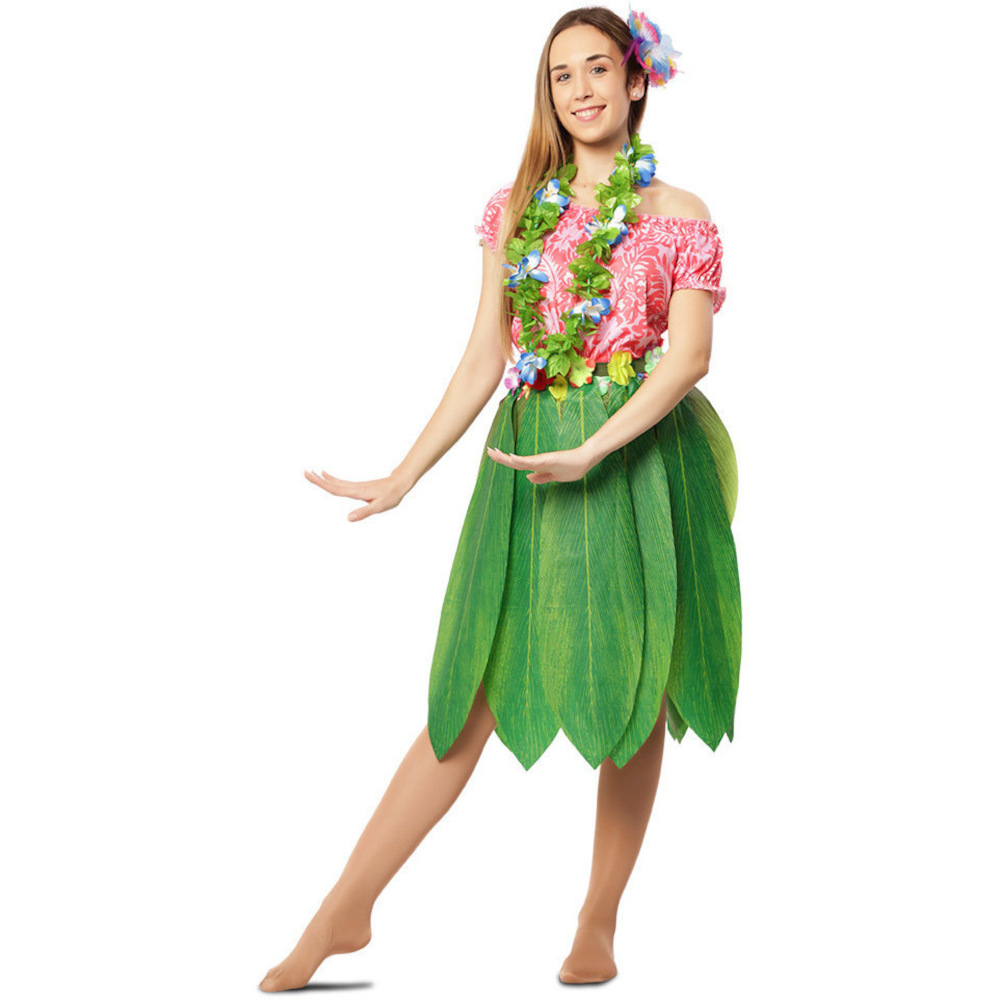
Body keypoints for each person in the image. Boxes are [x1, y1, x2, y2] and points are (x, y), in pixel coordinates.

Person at [259, 4, 741, 990]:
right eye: (561, 75)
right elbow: (487, 354)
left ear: (637, 80)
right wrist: (404, 473)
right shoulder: (516, 209)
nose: (580, 90)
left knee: (636, 682)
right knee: (469, 690)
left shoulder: (679, 211)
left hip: (634, 457)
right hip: (526, 461)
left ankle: (597, 918)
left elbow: (688, 356)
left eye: (597, 68)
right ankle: (344, 908)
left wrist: (596, 446)